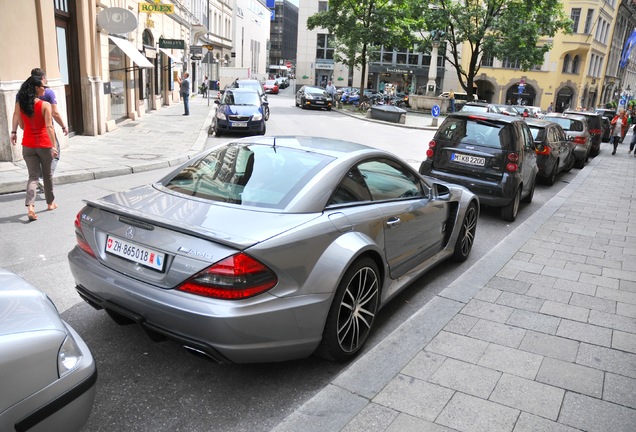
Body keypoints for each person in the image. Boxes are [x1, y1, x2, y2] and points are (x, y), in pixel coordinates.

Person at [11, 76, 58, 221]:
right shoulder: (45, 105)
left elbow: (20, 123)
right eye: (43, 86)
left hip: (28, 145)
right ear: (36, 88)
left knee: (33, 176)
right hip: (44, 144)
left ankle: (30, 207)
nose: (45, 88)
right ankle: (50, 203)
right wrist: (54, 146)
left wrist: (13, 133)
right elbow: (49, 127)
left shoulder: (21, 104)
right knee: (47, 174)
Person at [11, 68, 68, 189]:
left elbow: (16, 114)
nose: (45, 83)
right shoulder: (48, 93)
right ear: (42, 79)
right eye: (45, 79)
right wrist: (63, 126)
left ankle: (38, 180)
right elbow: (55, 113)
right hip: (45, 132)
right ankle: (44, 179)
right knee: (55, 154)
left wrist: (14, 131)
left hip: (29, 135)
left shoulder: (21, 95)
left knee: (35, 160)